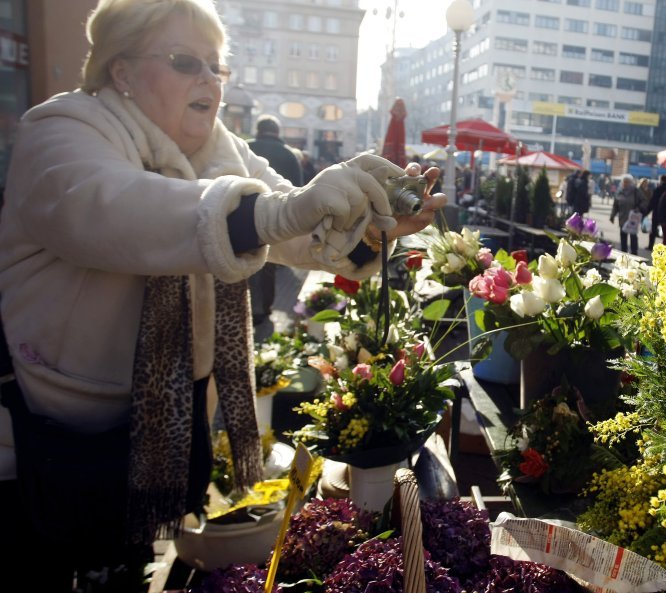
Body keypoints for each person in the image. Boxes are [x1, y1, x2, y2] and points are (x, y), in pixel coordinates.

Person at [0, 1, 446, 590]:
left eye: (217, 67)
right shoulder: (60, 130)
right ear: (121, 71)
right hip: (49, 429)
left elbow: (295, 224)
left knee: (128, 560)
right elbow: (115, 210)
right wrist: (281, 210)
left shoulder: (218, 148)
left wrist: (371, 226)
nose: (210, 81)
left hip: (158, 421)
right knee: (46, 563)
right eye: (187, 62)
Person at [247, 115, 304, 327]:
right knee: (268, 263)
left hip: (240, 215)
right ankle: (263, 308)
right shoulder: (289, 155)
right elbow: (298, 191)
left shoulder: (245, 148)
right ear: (277, 132)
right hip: (277, 220)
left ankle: (244, 307)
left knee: (239, 263)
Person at [609, 173, 646, 254]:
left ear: (630, 182)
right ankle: (623, 251)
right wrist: (612, 215)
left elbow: (644, 201)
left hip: (633, 217)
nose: (625, 183)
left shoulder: (636, 191)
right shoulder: (619, 191)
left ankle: (634, 251)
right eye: (624, 182)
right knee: (623, 234)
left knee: (633, 235)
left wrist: (638, 208)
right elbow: (615, 205)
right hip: (622, 217)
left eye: (627, 182)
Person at [645, 174, 666, 250]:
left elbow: (653, 201)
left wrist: (647, 211)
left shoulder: (658, 189)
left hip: (656, 212)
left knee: (653, 230)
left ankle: (650, 246)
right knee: (665, 232)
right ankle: (665, 248)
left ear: (661, 180)